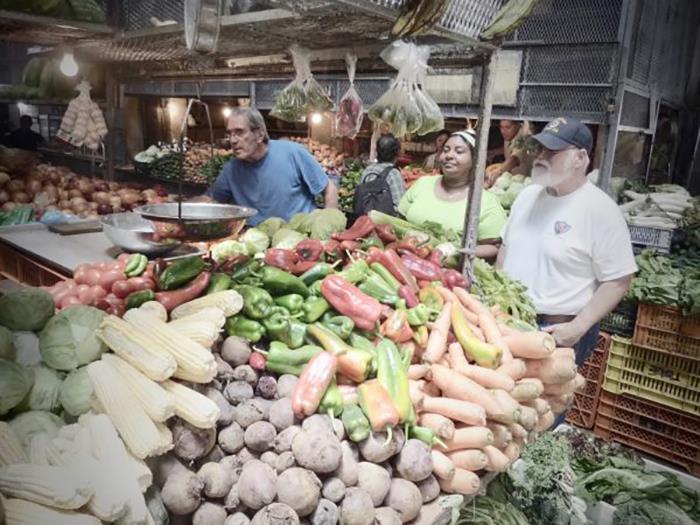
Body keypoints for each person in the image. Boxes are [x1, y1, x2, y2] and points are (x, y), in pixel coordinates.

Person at [497, 117, 637, 368]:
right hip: (509, 320)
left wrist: (577, 327)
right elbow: (506, 247)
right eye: (539, 149)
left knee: (546, 405)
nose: (541, 156)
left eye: (553, 151)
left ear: (580, 159)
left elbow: (618, 279)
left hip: (557, 330)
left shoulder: (600, 210)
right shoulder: (527, 196)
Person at [207, 107, 338, 225]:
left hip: (300, 240)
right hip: (257, 242)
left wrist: (327, 228)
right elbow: (210, 200)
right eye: (229, 134)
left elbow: (329, 189)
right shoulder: (231, 169)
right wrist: (188, 206)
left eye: (240, 132)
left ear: (259, 135)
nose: (233, 140)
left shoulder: (293, 153)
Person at [399, 130, 507, 260]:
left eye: (459, 151)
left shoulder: (485, 201)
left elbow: (494, 247)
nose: (449, 155)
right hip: (404, 265)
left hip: (451, 276)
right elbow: (399, 220)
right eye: (446, 150)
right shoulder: (422, 184)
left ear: (475, 159)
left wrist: (458, 251)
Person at [355, 134, 405, 215]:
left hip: (365, 220)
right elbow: (400, 206)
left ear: (377, 152)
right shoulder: (394, 174)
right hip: (385, 223)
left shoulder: (368, 170)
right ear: (397, 153)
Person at [486, 119, 535, 186]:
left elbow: (515, 158)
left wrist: (499, 171)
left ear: (518, 125)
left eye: (507, 127)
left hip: (524, 183)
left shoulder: (525, 137)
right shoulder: (510, 134)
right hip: (511, 178)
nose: (503, 131)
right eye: (501, 127)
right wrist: (494, 152)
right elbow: (511, 147)